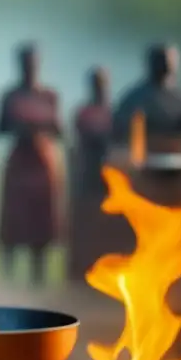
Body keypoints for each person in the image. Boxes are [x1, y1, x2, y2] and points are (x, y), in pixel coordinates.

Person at [0, 44, 64, 286]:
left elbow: (59, 130)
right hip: (19, 161)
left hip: (42, 161)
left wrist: (40, 126)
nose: (29, 67)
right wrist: (19, 126)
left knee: (40, 218)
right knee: (13, 217)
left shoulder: (49, 96)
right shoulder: (10, 96)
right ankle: (7, 276)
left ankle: (39, 276)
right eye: (25, 62)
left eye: (33, 63)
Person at [67, 67, 118, 280]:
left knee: (107, 224)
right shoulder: (84, 113)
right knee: (85, 222)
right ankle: (81, 271)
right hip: (87, 172)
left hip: (109, 175)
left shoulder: (114, 113)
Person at [113, 43, 181, 158]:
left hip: (177, 166)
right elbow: (117, 134)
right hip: (142, 166)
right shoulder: (135, 100)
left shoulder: (132, 98)